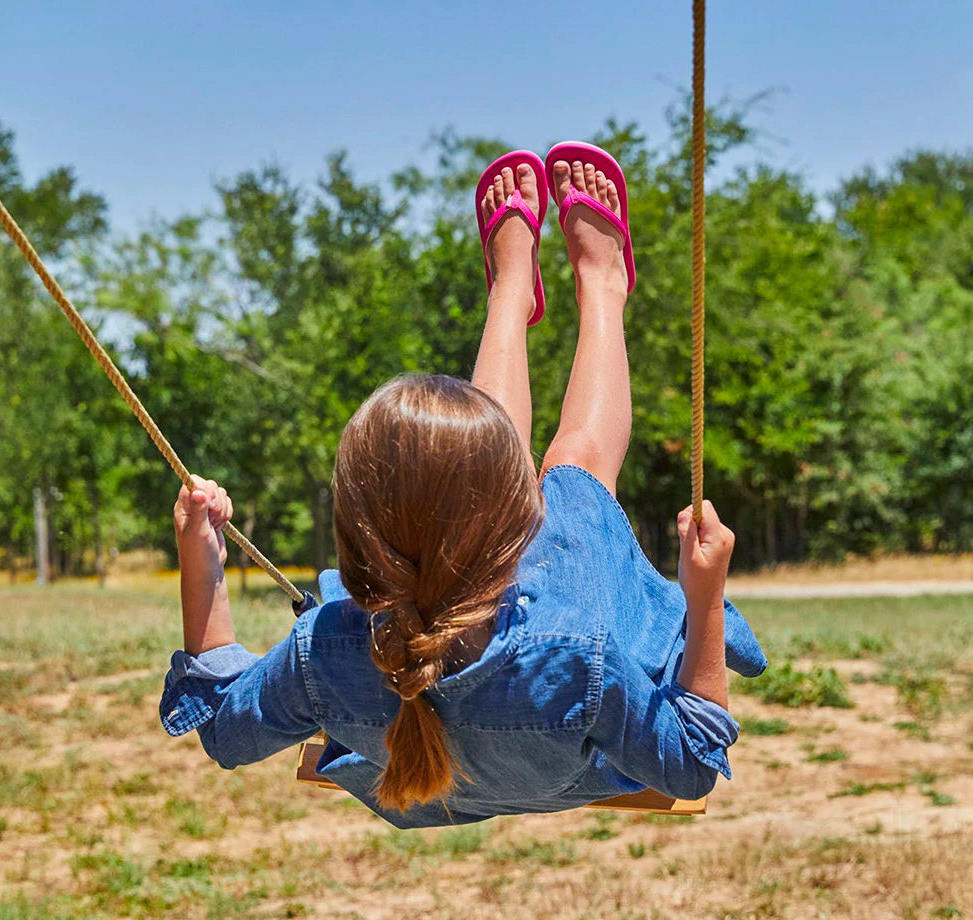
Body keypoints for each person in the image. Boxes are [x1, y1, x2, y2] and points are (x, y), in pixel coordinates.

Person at [160, 146, 766, 829]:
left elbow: (221, 726)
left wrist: (198, 554)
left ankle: (512, 289)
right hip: (567, 750)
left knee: (495, 449)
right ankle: (600, 285)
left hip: (431, 793)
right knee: (576, 465)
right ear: (522, 523)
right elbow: (689, 762)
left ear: (354, 530)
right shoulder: (575, 656)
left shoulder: (322, 652)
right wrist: (704, 596)